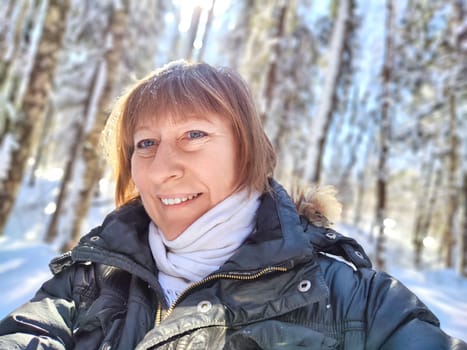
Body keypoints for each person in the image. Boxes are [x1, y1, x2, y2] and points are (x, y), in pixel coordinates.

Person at [0, 61, 465, 350]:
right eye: (145, 143)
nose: (163, 169)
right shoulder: (89, 277)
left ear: (248, 151)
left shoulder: (353, 301)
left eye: (194, 135)